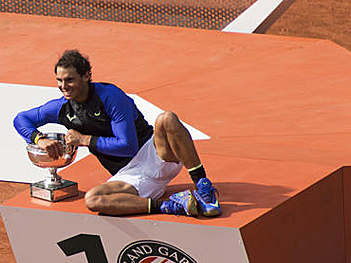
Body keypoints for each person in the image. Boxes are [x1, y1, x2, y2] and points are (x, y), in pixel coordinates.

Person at [13, 49, 221, 217]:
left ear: (86, 76)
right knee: (93, 200)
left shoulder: (110, 95)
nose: (63, 86)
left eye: (69, 80)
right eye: (59, 80)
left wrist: (85, 140)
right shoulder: (61, 108)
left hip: (155, 154)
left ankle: (203, 188)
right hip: (130, 176)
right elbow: (21, 119)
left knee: (166, 119)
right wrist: (38, 139)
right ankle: (171, 206)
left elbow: (127, 145)